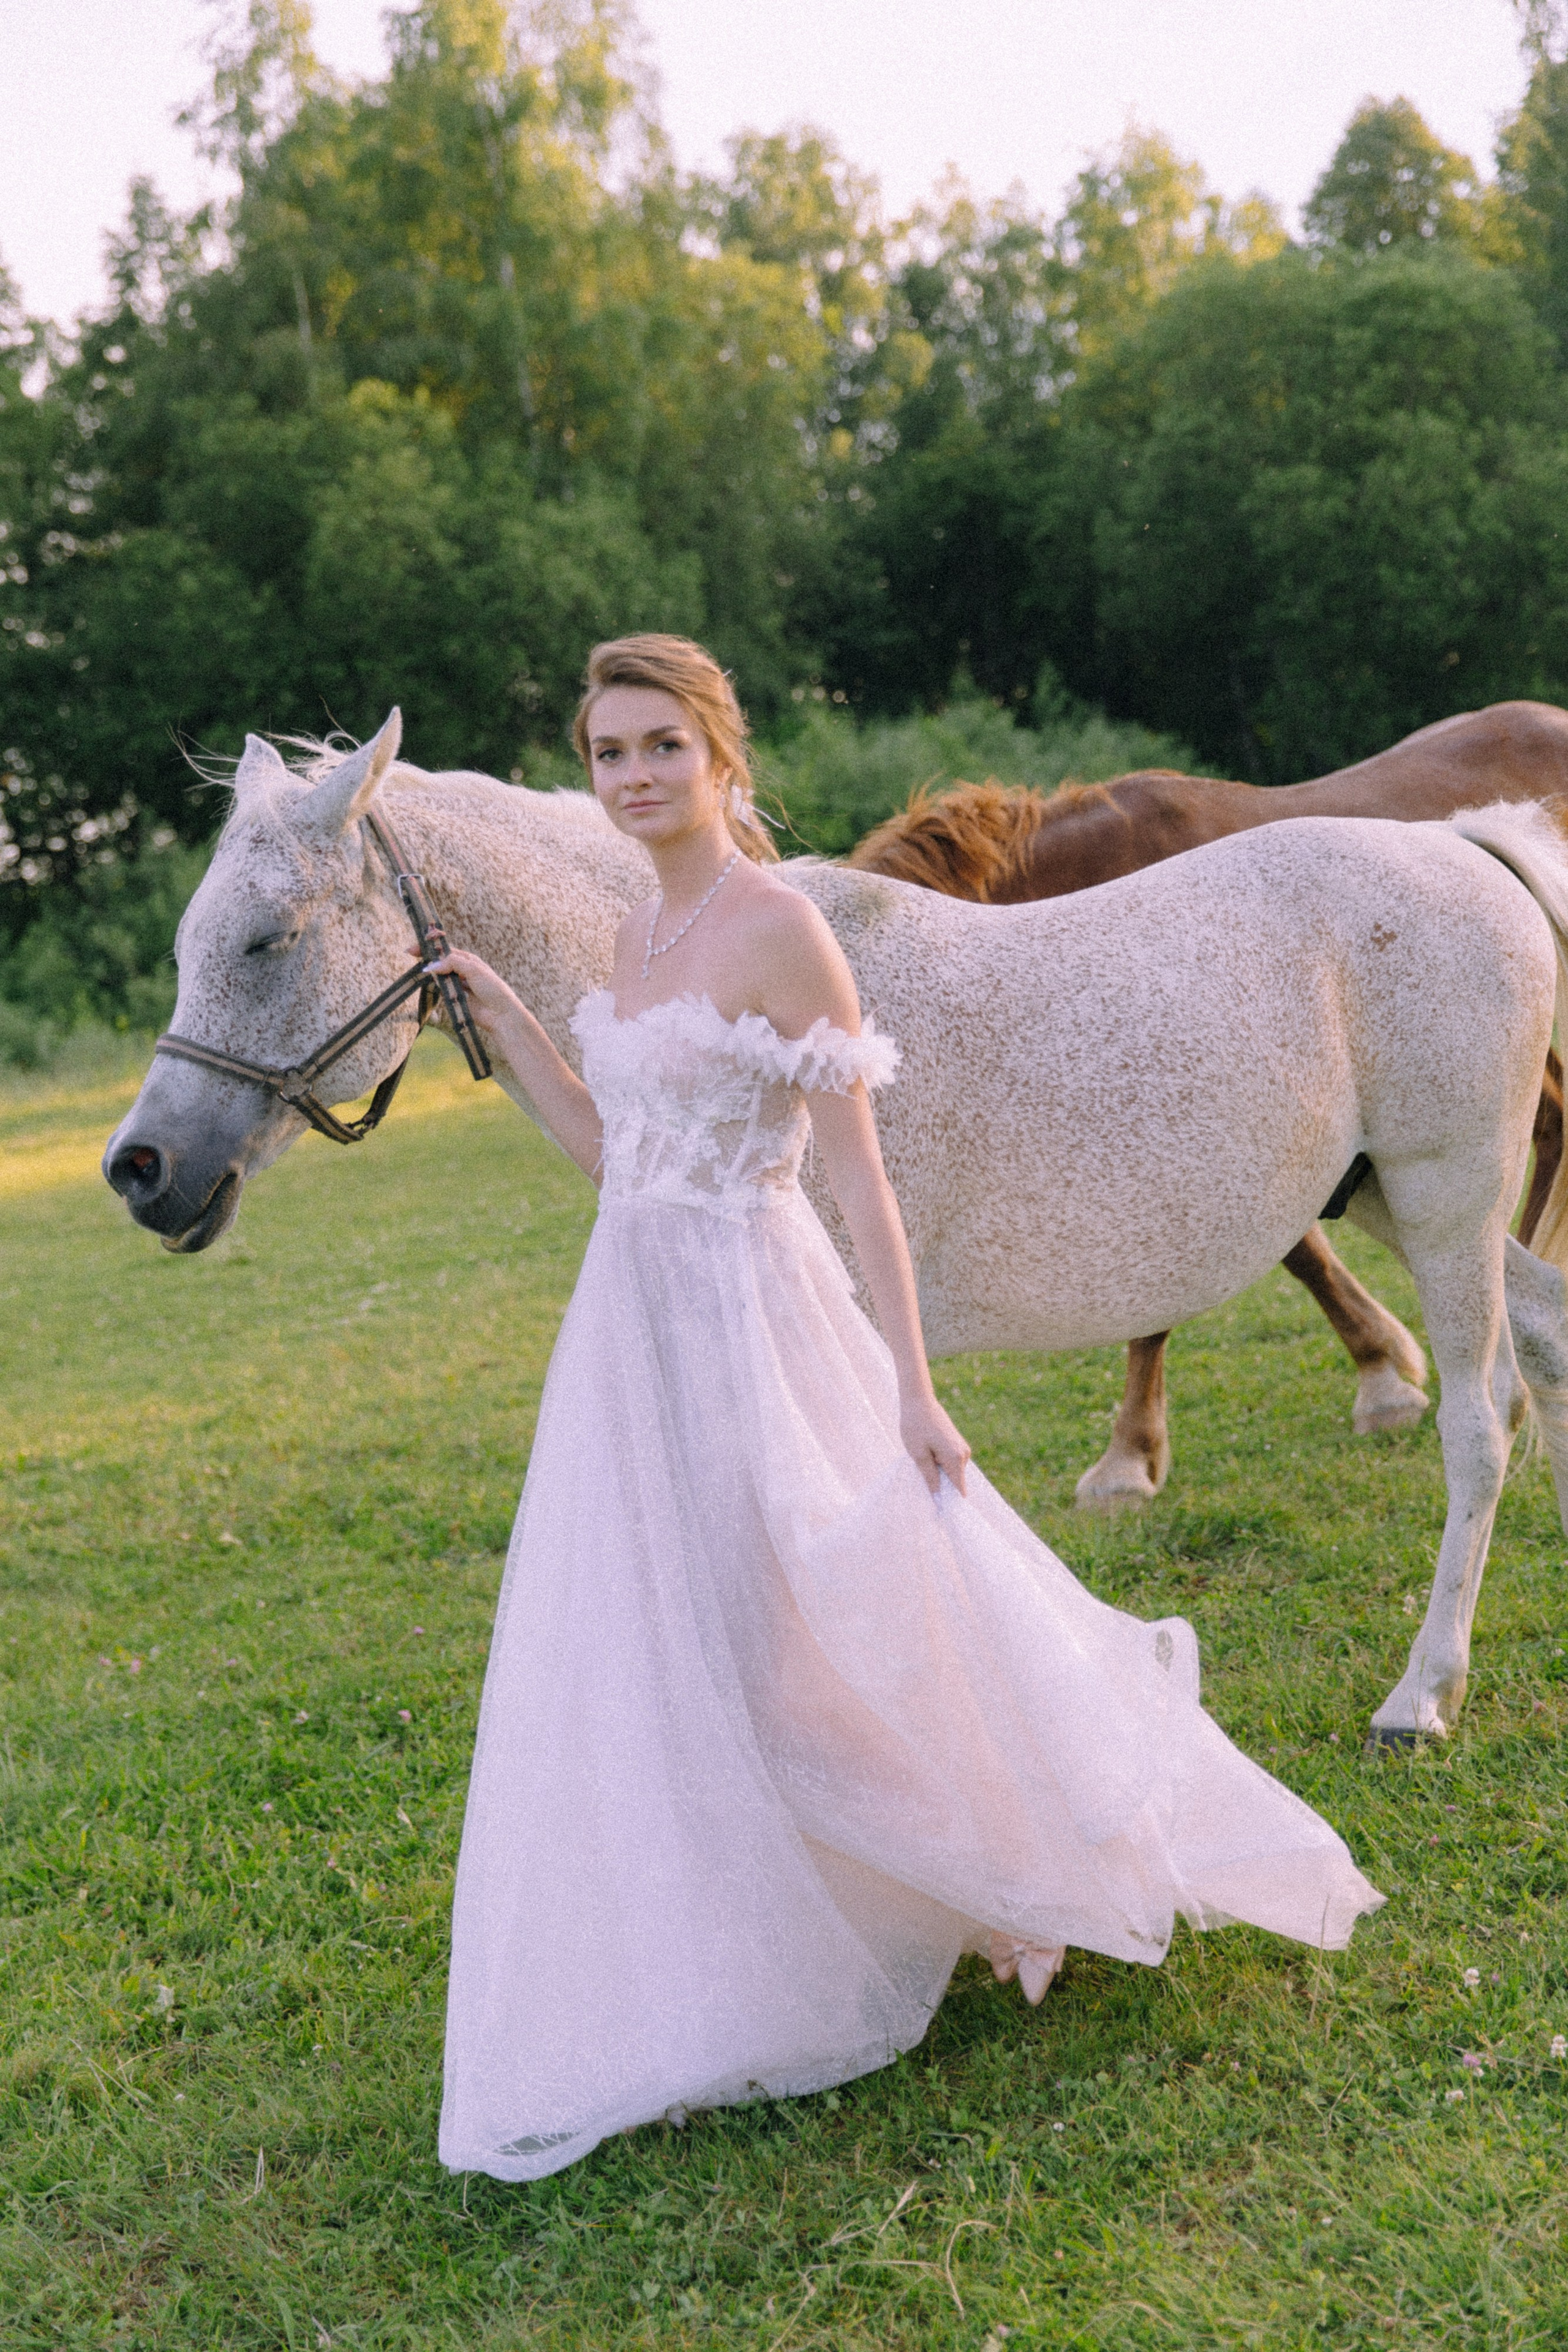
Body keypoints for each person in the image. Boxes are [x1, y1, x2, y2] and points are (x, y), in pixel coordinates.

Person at [430, 633, 1382, 2182]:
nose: (633, 777)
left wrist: (911, 1386)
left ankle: (1008, 1868)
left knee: (815, 1623)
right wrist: (502, 1019)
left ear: (718, 754)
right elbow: (616, 1155)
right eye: (608, 754)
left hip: (755, 1310)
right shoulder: (628, 941)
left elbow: (856, 1171)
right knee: (690, 1644)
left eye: (659, 745)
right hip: (631, 1333)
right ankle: (767, 1920)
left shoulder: (778, 928)